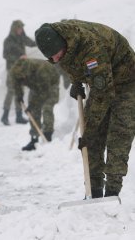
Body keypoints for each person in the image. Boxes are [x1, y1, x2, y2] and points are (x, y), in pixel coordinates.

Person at [35, 19, 135, 198]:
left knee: (118, 135)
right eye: (52, 58)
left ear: (63, 44)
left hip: (127, 81)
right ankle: (93, 191)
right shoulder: (60, 47)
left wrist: (89, 131)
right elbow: (73, 63)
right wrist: (77, 81)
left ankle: (112, 194)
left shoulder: (90, 47)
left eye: (57, 55)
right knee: (92, 140)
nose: (56, 60)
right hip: (101, 80)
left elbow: (103, 93)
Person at [10, 58, 60, 150]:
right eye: (21, 78)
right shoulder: (15, 72)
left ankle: (48, 135)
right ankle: (34, 139)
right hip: (35, 86)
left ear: (28, 72)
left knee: (47, 107)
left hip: (50, 84)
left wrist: (32, 105)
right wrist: (19, 96)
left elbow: (44, 92)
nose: (23, 79)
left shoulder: (41, 69)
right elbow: (16, 84)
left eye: (24, 77)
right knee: (33, 112)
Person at [1, 20, 37, 125]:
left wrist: (42, 42)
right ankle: (4, 116)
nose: (20, 30)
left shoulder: (22, 38)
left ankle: (19, 116)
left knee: (20, 91)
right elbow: (5, 55)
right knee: (11, 91)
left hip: (21, 69)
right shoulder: (8, 41)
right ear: (14, 28)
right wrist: (18, 57)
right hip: (12, 69)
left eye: (21, 28)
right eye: (18, 28)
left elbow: (31, 43)